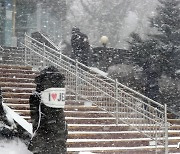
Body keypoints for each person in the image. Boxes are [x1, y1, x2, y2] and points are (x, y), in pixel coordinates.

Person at [28, 66, 68, 154]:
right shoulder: (59, 94)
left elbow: (37, 122)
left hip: (45, 139)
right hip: (59, 136)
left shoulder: (37, 97)